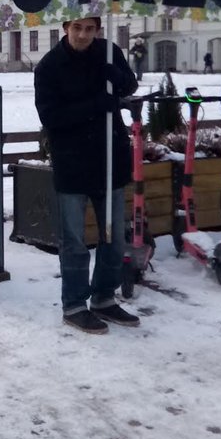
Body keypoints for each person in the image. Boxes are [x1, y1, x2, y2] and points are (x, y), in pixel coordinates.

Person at [34, 17, 140, 334]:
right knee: (74, 241)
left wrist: (116, 76)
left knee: (114, 237)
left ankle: (104, 297)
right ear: (66, 27)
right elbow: (51, 116)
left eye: (90, 29)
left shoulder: (108, 52)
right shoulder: (50, 67)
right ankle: (75, 304)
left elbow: (129, 85)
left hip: (110, 157)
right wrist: (97, 104)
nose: (83, 35)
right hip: (73, 161)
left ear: (98, 30)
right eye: (78, 28)